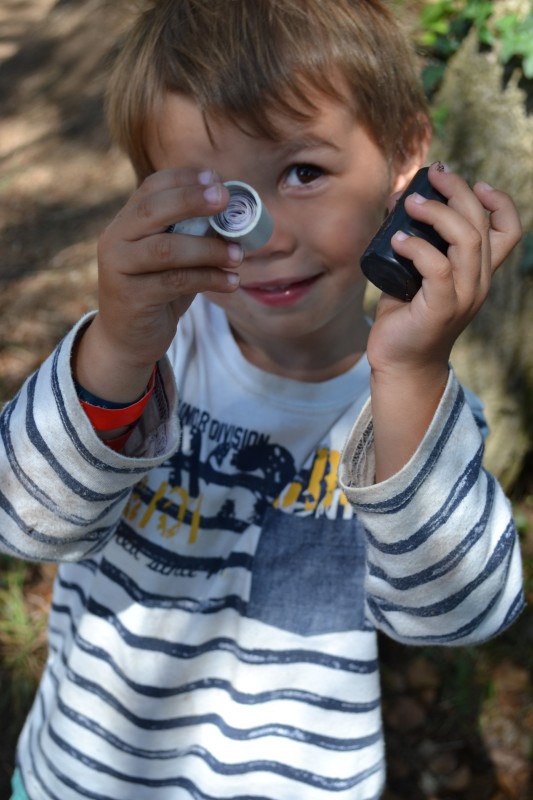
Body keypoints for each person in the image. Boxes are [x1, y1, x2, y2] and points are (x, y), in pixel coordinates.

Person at [2, 1, 524, 798]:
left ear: (403, 156)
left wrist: (410, 372)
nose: (265, 234)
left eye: (304, 172)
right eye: (219, 199)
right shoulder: (144, 354)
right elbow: (25, 522)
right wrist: (114, 343)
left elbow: (459, 615)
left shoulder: (409, 409)